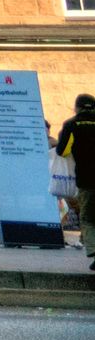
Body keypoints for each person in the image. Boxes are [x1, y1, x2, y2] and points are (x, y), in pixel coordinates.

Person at [55, 93, 95, 271]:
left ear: (77, 107)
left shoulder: (71, 124)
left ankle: (94, 251)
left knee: (88, 218)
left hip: (87, 179)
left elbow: (62, 151)